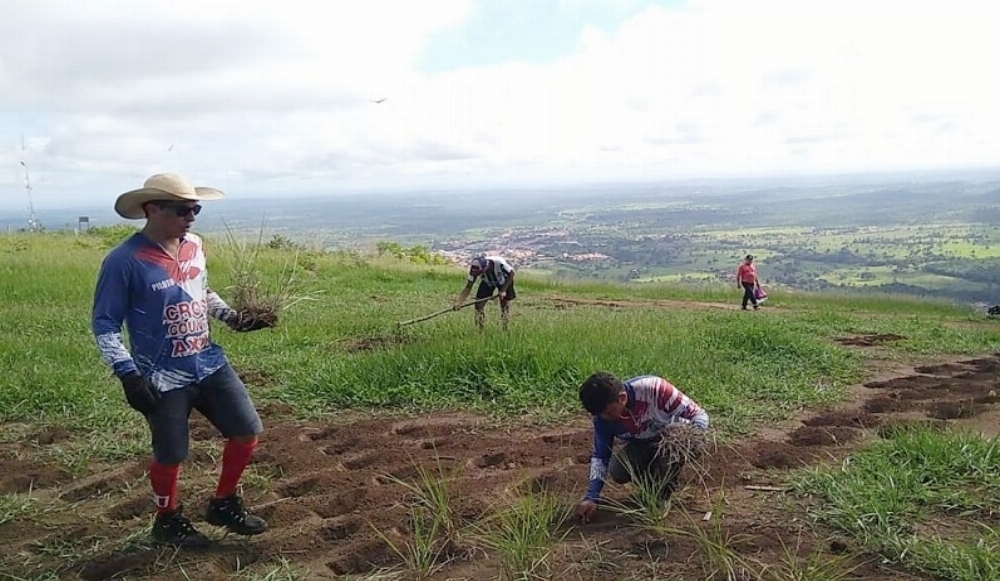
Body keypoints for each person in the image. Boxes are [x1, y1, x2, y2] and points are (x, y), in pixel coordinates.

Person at [91, 173, 274, 548]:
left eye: (196, 208)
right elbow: (105, 323)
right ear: (152, 209)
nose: (191, 216)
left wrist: (234, 318)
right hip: (160, 375)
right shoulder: (123, 261)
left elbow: (201, 291)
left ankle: (223, 503)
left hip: (207, 362)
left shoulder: (194, 245)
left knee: (246, 430)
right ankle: (167, 519)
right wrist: (128, 374)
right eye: (182, 209)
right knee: (172, 452)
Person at [574, 371, 709, 523]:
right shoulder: (602, 419)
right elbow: (601, 456)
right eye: (600, 415)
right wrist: (591, 497)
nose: (606, 418)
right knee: (618, 471)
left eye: (609, 412)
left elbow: (700, 416)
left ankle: (661, 497)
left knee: (670, 451)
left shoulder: (655, 389)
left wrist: (689, 440)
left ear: (622, 398)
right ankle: (651, 487)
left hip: (674, 439)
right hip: (642, 444)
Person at [453, 255, 516, 330]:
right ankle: (480, 330)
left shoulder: (499, 263)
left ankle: (505, 328)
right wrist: (459, 302)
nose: (478, 275)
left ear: (485, 267)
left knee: (504, 306)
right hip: (487, 282)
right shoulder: (473, 270)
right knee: (478, 306)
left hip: (504, 280)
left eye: (480, 273)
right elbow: (468, 287)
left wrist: (503, 290)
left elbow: (511, 274)